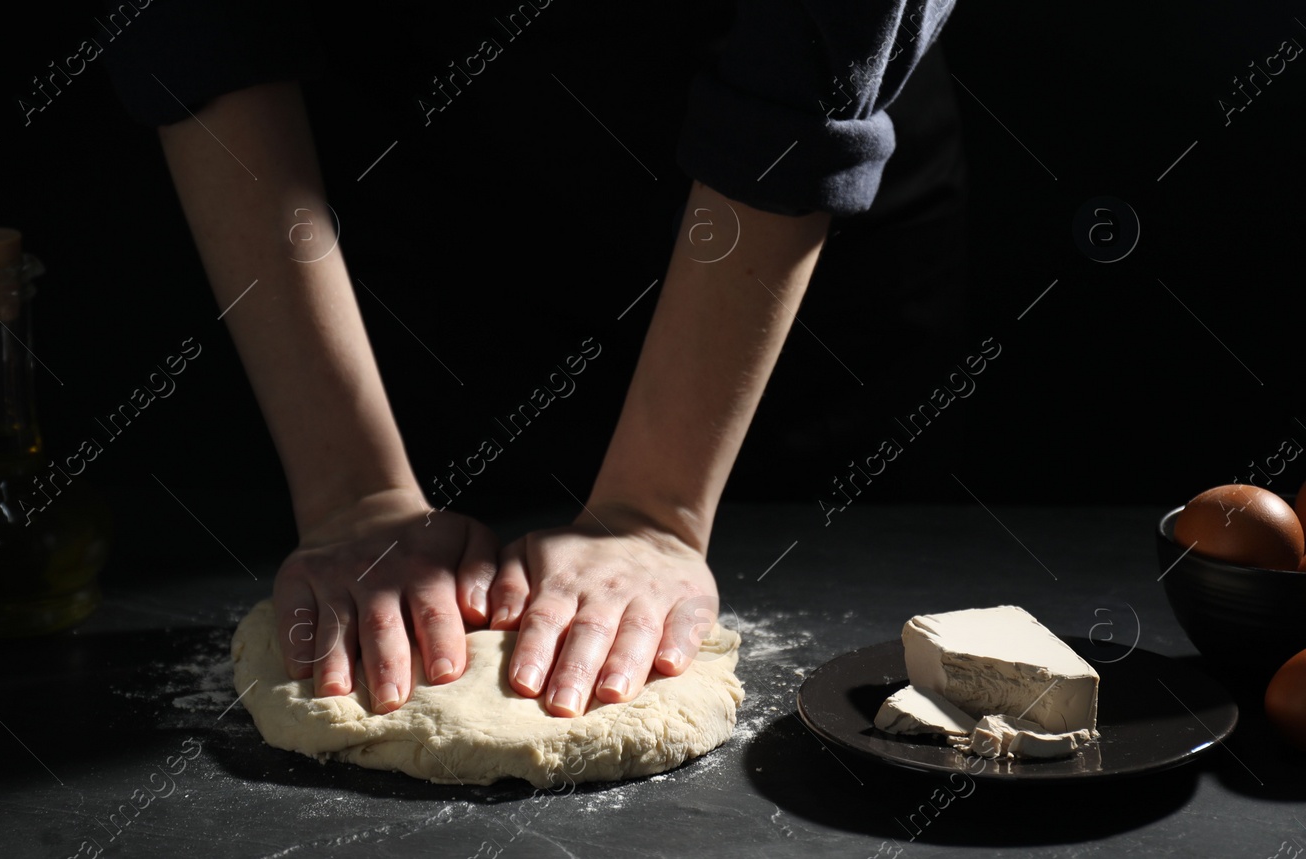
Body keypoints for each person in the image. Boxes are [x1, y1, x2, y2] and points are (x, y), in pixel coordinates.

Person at [106, 0, 957, 717]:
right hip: (381, 213)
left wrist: (655, 511)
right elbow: (198, 29)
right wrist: (351, 496)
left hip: (779, 243)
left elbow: (814, 58)